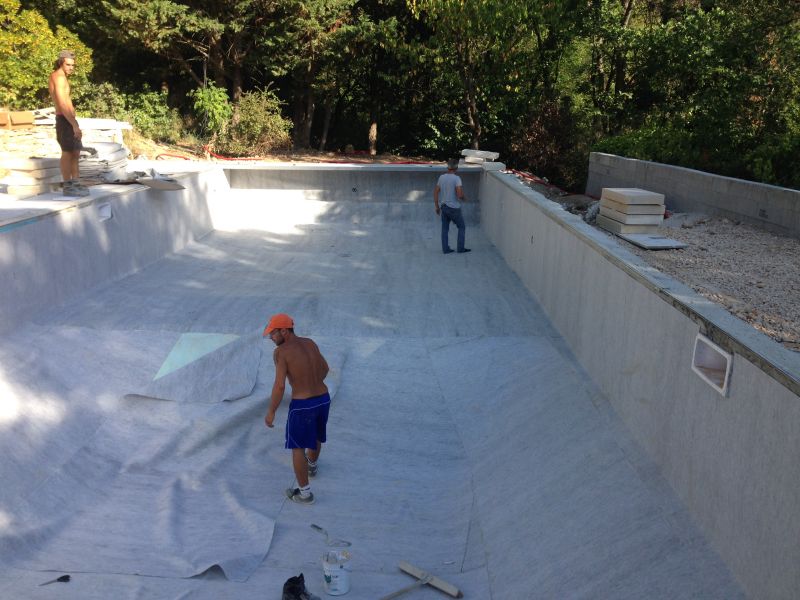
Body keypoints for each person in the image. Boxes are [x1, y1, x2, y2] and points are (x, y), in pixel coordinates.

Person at [264, 313, 330, 505]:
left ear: (284, 331)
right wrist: (312, 382)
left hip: (302, 406)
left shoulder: (281, 352)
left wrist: (271, 412)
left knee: (297, 447)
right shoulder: (310, 343)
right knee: (316, 436)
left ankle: (304, 494)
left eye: (273, 334)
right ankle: (312, 466)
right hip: (323, 399)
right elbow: (325, 369)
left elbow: (279, 386)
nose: (271, 338)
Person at [49, 50, 88, 197]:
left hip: (69, 119)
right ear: (61, 62)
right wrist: (74, 124)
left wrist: (74, 121)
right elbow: (62, 103)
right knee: (67, 151)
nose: (71, 68)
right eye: (68, 64)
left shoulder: (63, 77)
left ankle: (75, 183)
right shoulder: (58, 78)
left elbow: (68, 101)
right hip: (64, 119)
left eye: (73, 65)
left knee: (75, 151)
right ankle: (67, 185)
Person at [434, 158, 470, 254]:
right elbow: (459, 195)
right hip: (454, 208)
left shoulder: (441, 177)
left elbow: (436, 192)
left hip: (444, 206)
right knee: (461, 227)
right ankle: (460, 248)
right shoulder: (457, 179)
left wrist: (437, 206)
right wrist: (464, 198)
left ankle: (445, 249)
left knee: (444, 229)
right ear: (456, 168)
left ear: (448, 167)